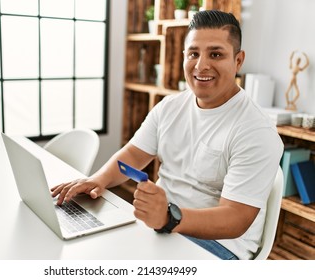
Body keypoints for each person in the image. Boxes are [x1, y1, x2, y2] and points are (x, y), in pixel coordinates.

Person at [51, 10, 283, 260]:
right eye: (193, 53)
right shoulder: (170, 107)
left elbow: (235, 218)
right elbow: (133, 154)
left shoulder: (256, 131)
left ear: (238, 61)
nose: (201, 65)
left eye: (216, 54)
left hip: (219, 246)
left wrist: (169, 217)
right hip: (161, 225)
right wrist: (98, 179)